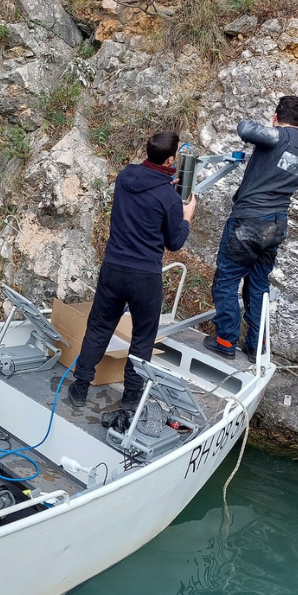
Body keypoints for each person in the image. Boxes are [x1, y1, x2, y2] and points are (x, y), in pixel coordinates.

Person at [66, 132, 198, 411]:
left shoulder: (125, 177)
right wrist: (186, 217)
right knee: (142, 337)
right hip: (145, 276)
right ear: (171, 160)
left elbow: (146, 186)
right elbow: (174, 242)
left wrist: (165, 184)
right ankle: (130, 397)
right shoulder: (169, 198)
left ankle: (80, 388)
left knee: (99, 327)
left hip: (113, 267)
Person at [205, 95, 298, 360]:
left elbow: (245, 129)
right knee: (257, 286)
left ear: (276, 116)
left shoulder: (278, 136)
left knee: (226, 281)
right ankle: (257, 347)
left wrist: (273, 132)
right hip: (276, 226)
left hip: (249, 221)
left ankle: (225, 341)